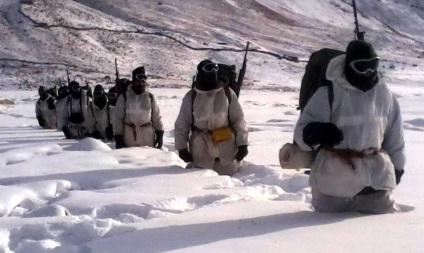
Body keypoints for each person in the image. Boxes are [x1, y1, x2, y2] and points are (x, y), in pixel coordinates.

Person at [294, 40, 405, 214]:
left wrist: (398, 167)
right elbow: (301, 133)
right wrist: (316, 132)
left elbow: (395, 137)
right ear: (349, 65)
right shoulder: (328, 93)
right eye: (361, 66)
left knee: (381, 234)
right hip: (334, 184)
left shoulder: (385, 95)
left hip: (375, 182)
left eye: (373, 65)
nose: (368, 72)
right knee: (327, 237)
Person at [174, 60, 249, 176]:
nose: (212, 72)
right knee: (199, 178)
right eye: (208, 69)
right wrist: (181, 148)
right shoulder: (192, 96)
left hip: (226, 142)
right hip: (201, 144)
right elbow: (182, 123)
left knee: (229, 180)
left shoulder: (227, 93)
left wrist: (243, 143)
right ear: (201, 73)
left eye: (215, 69)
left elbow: (238, 119)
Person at [112, 66, 164, 149]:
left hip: (147, 138)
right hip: (129, 137)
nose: (141, 84)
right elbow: (118, 119)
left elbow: (156, 117)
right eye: (138, 81)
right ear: (133, 81)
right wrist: (118, 137)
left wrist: (159, 134)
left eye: (143, 81)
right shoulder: (124, 97)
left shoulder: (150, 98)